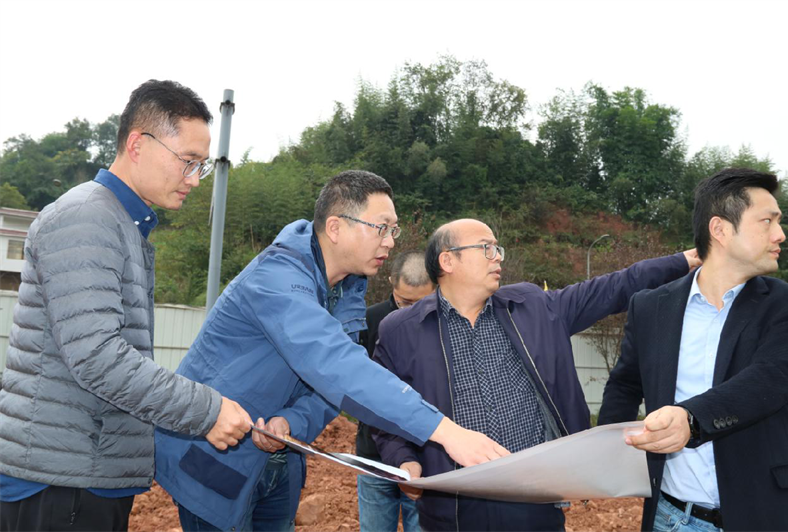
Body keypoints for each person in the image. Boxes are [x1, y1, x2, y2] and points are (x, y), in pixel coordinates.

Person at [154, 171, 509, 532]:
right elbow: (338, 366)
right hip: (216, 455)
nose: (390, 242)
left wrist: (293, 420)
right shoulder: (277, 277)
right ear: (336, 227)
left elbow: (330, 389)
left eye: (394, 230)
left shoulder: (347, 288)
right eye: (381, 228)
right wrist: (446, 431)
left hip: (279, 457)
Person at [0, 80, 253, 532]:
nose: (195, 179)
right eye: (188, 161)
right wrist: (206, 411)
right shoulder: (86, 218)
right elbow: (98, 357)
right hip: (60, 480)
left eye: (201, 165)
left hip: (84, 471)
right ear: (137, 144)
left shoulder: (122, 223)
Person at [372, 218, 700, 532]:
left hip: (533, 502)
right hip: (452, 510)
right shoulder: (401, 331)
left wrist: (684, 261)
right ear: (448, 260)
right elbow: (385, 412)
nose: (498, 257)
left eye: (498, 248)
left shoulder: (533, 307)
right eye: (486, 248)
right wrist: (404, 461)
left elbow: (613, 287)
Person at [598, 168, 788, 532]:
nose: (780, 234)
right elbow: (625, 385)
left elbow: (771, 378)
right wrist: (606, 455)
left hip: (766, 514)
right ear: (720, 229)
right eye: (767, 221)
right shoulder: (650, 307)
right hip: (670, 517)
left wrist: (690, 420)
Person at [357, 250, 435, 532]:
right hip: (374, 455)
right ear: (391, 281)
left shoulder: (443, 323)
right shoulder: (369, 320)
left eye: (420, 302)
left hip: (426, 457)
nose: (411, 311)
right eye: (404, 302)